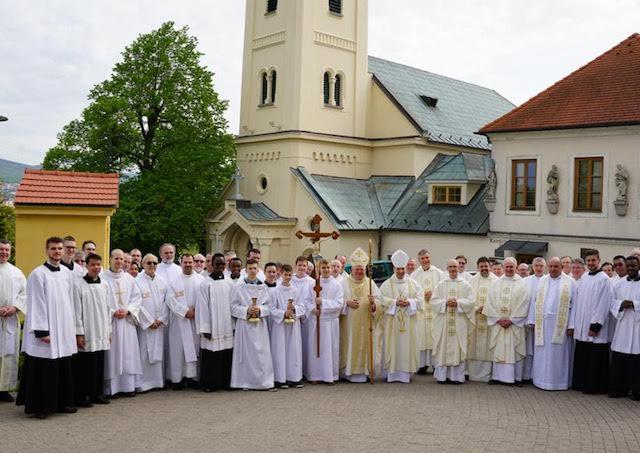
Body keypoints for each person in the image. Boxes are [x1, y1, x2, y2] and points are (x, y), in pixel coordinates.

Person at [18, 237, 77, 419]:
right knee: (44, 369)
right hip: (46, 329)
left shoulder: (67, 273)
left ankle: (61, 403)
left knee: (61, 366)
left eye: (60, 248)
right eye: (53, 249)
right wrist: (42, 331)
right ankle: (41, 407)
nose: (57, 252)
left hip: (63, 328)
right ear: (46, 250)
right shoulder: (38, 274)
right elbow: (36, 303)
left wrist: (72, 328)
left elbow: (70, 300)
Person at [527, 257, 576, 391]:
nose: (553, 269)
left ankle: (558, 382)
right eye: (551, 266)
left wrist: (572, 325)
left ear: (561, 267)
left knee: (557, 354)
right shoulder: (542, 281)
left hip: (561, 324)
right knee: (542, 353)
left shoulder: (570, 282)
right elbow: (535, 301)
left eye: (556, 266)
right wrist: (532, 320)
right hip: (542, 324)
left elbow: (575, 305)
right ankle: (540, 380)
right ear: (548, 267)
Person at [72, 253, 113, 407]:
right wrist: (79, 333)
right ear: (86, 266)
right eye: (93, 265)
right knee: (85, 365)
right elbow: (77, 311)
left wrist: (109, 331)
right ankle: (82, 396)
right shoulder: (78, 285)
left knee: (99, 363)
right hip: (87, 330)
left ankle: (97, 394)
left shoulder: (105, 285)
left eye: (98, 265)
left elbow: (109, 309)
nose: (96, 268)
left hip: (101, 330)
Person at [571, 249, 613, 395]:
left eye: (593, 260)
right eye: (588, 261)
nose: (590, 263)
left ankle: (595, 386)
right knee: (583, 356)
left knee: (595, 358)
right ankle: (581, 383)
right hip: (582, 325)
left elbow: (604, 303)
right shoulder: (585, 277)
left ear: (599, 260)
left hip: (595, 326)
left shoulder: (604, 279)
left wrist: (595, 325)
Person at [483, 257, 530, 386]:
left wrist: (512, 320)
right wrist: (498, 319)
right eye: (507, 267)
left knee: (515, 349)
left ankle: (516, 378)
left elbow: (524, 303)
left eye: (512, 267)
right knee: (499, 349)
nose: (509, 269)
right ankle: (497, 376)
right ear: (504, 268)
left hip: (514, 325)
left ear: (516, 267)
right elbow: (489, 302)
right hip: (499, 323)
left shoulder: (522, 284)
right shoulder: (496, 283)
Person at [102, 249, 143, 398]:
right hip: (111, 322)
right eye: (116, 258)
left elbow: (137, 298)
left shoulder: (129, 279)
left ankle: (128, 386)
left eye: (121, 259)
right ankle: (111, 389)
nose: (119, 262)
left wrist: (128, 310)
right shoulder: (103, 277)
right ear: (110, 259)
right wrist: (112, 311)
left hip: (126, 322)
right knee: (112, 355)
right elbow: (100, 300)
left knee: (128, 353)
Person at [230, 259, 274, 390]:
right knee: (246, 353)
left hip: (260, 325)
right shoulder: (238, 286)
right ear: (246, 269)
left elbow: (269, 306)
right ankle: (244, 382)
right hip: (244, 325)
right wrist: (246, 310)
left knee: (261, 353)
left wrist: (260, 309)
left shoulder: (263, 287)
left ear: (258, 269)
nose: (253, 271)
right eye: (250, 268)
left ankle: (263, 382)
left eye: (255, 268)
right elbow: (232, 307)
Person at [340, 247, 382, 383]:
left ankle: (364, 371)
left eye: (362, 270)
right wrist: (346, 302)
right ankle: (347, 371)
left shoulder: (371, 283)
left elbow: (380, 302)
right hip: (348, 323)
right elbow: (337, 301)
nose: (359, 272)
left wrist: (373, 303)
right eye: (357, 269)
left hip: (366, 322)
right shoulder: (343, 283)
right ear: (351, 270)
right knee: (349, 343)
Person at [380, 250, 421, 383]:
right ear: (394, 268)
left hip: (408, 323)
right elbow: (381, 300)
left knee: (406, 347)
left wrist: (409, 302)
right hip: (392, 324)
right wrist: (394, 302)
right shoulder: (387, 284)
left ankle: (405, 374)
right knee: (393, 346)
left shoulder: (413, 284)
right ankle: (392, 374)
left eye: (402, 268)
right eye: (398, 269)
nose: (400, 271)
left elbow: (420, 300)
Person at [431, 259, 475, 384]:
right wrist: (445, 302)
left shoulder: (465, 284)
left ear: (458, 267)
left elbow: (472, 301)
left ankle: (456, 377)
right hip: (444, 322)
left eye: (455, 266)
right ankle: (442, 377)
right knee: (443, 347)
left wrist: (458, 303)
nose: (453, 269)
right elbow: (434, 301)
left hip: (459, 321)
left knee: (458, 347)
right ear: (447, 268)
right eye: (450, 267)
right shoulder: (441, 284)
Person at [197, 254, 234, 392]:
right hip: (212, 326)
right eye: (217, 264)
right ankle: (210, 384)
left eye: (222, 264)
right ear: (211, 264)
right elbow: (202, 307)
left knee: (226, 353)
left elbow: (233, 305)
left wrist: (234, 325)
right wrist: (205, 328)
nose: (220, 267)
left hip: (226, 325)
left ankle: (225, 382)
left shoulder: (229, 283)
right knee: (211, 355)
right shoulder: (205, 283)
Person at [166, 254, 203, 389]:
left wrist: (197, 311)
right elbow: (170, 300)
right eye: (185, 262)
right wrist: (184, 311)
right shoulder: (174, 282)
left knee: (194, 348)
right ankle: (178, 378)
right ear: (181, 264)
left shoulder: (201, 280)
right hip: (180, 321)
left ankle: (193, 378)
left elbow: (205, 300)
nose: (188, 264)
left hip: (195, 321)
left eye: (190, 262)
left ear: (193, 263)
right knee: (178, 350)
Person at [304, 259, 343, 384]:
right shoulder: (313, 284)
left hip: (330, 322)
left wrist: (323, 303)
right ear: (319, 269)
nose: (326, 270)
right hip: (316, 321)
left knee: (329, 349)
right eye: (323, 268)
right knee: (315, 349)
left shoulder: (337, 285)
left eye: (328, 267)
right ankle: (314, 376)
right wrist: (312, 309)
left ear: (331, 269)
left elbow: (339, 303)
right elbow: (306, 301)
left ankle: (330, 375)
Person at [135, 254, 169, 392]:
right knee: (144, 352)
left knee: (158, 352)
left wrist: (161, 319)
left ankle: (158, 382)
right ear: (143, 264)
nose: (152, 266)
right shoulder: (137, 281)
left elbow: (167, 302)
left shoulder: (162, 281)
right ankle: (143, 384)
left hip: (159, 324)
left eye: (155, 263)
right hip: (146, 326)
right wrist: (149, 321)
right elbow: (137, 304)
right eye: (149, 263)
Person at [609, 256, 640, 400]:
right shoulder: (618, 284)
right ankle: (618, 389)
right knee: (619, 357)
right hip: (623, 326)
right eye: (629, 266)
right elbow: (612, 303)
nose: (631, 268)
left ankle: (636, 391)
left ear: (638, 265)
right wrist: (621, 304)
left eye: (634, 265)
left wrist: (634, 304)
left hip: (637, 325)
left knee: (636, 359)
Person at [269, 264, 305, 388]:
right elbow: (271, 309)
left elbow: (302, 306)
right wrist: (283, 313)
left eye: (290, 275)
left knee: (293, 351)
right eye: (286, 275)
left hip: (293, 325)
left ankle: (294, 378)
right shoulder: (275, 291)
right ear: (281, 274)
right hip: (280, 326)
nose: (288, 277)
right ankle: (280, 379)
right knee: (280, 351)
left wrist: (294, 309)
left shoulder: (296, 291)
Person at [411, 249, 445, 374]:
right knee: (421, 336)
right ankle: (422, 365)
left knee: (434, 336)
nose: (425, 260)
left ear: (430, 258)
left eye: (427, 258)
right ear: (419, 260)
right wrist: (422, 295)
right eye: (422, 259)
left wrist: (434, 293)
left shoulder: (439, 273)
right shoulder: (414, 275)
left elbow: (443, 288)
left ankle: (435, 363)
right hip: (422, 310)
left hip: (434, 310)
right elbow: (412, 291)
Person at [0, 240, 26, 403]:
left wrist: (15, 307)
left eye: (6, 250)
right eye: (1, 249)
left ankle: (4, 389)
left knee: (8, 354)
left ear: (11, 252)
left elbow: (25, 294)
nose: (3, 252)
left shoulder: (17, 272)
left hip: (9, 319)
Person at [467, 257, 498, 382]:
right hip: (475, 318)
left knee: (488, 347)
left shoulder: (496, 281)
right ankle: (472, 374)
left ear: (490, 266)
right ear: (478, 267)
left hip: (489, 321)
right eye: (481, 267)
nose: (484, 269)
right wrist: (475, 308)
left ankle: (487, 375)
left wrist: (487, 309)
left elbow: (498, 299)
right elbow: (468, 299)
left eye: (486, 266)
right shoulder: (472, 281)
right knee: (474, 345)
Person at [290, 257, 315, 376]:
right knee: (293, 346)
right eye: (300, 265)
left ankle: (305, 371)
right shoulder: (290, 279)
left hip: (306, 317)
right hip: (292, 317)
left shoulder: (312, 282)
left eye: (304, 266)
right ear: (296, 266)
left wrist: (304, 312)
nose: (302, 268)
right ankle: (294, 371)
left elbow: (312, 300)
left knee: (306, 345)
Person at [523, 258, 546, 382]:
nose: (538, 268)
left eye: (541, 265)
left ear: (545, 267)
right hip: (528, 321)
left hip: (543, 322)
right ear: (532, 267)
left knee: (540, 349)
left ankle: (537, 375)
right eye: (536, 265)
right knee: (528, 350)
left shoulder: (548, 280)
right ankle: (527, 375)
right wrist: (529, 319)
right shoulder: (526, 281)